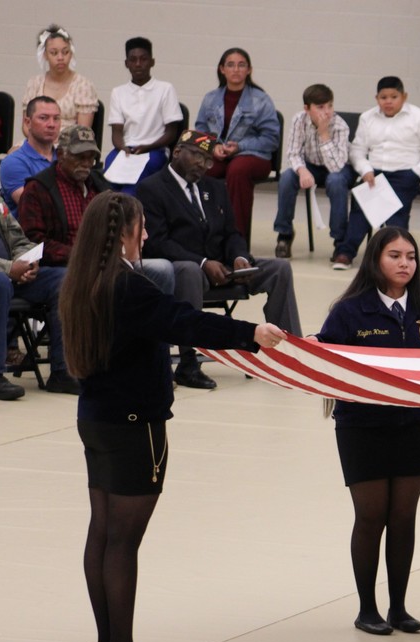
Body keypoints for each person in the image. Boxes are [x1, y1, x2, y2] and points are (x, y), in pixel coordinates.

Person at [58, 191, 286, 642]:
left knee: (102, 534)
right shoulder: (128, 287)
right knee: (123, 543)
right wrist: (251, 334)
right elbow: (185, 320)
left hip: (96, 419)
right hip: (135, 426)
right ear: (123, 231)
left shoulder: (85, 281)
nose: (145, 235)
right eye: (140, 227)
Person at [315, 228, 420, 634]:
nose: (404, 263)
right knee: (371, 516)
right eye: (395, 255)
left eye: (410, 256)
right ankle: (366, 609)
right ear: (375, 259)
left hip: (412, 427)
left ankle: (398, 607)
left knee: (404, 517)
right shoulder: (348, 311)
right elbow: (325, 358)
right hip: (362, 429)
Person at [137, 129, 301, 389]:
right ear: (177, 152)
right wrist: (203, 263)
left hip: (224, 268)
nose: (202, 164)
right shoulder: (151, 188)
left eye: (207, 159)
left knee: (279, 268)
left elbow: (231, 233)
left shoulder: (215, 187)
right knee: (189, 271)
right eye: (196, 156)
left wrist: (238, 256)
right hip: (187, 270)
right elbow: (157, 242)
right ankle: (188, 364)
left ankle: (286, 354)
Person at [0, 129, 78, 400]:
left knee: (65, 279)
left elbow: (16, 233)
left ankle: (63, 371)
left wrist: (27, 261)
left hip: (9, 274)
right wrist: (7, 268)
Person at [17, 124, 175, 292]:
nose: (86, 163)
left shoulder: (99, 184)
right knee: (78, 279)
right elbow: (33, 242)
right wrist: (80, 255)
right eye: (80, 157)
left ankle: (151, 318)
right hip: (60, 266)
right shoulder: (38, 188)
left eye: (91, 157)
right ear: (61, 155)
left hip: (106, 260)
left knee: (162, 269)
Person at [333, 76, 420, 269]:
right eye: (383, 97)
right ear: (377, 98)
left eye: (394, 96)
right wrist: (366, 170)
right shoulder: (367, 118)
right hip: (374, 174)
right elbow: (357, 150)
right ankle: (345, 253)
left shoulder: (419, 117)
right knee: (360, 209)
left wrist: (416, 173)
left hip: (405, 175)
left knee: (396, 216)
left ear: (404, 96)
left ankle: (397, 259)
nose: (388, 101)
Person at [194, 48, 280, 242]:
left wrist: (240, 147)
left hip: (254, 156)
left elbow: (271, 138)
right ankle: (204, 232)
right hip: (219, 154)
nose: (236, 70)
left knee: (237, 169)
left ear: (249, 70)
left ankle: (236, 239)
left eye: (241, 65)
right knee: (200, 167)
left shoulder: (261, 99)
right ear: (222, 69)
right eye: (230, 65)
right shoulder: (210, 98)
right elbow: (200, 132)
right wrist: (212, 146)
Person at [272, 83, 354, 261]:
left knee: (336, 181)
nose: (327, 112)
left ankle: (340, 242)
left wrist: (324, 133)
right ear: (307, 109)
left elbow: (336, 167)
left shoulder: (340, 125)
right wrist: (302, 171)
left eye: (330, 106)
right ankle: (284, 235)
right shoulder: (298, 120)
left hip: (339, 167)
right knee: (287, 177)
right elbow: (293, 153)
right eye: (320, 107)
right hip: (311, 165)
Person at [104, 37, 184, 195]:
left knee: (132, 186)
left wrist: (148, 147)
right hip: (126, 150)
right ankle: (111, 210)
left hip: (154, 150)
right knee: (109, 166)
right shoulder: (118, 92)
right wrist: (123, 148)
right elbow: (117, 133)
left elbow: (171, 132)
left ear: (152, 62)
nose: (138, 64)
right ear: (126, 63)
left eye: (143, 59)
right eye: (133, 60)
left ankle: (125, 211)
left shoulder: (165, 89)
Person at [22, 24, 98, 132]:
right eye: (54, 53)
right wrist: (40, 142)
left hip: (70, 144)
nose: (60, 58)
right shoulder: (34, 83)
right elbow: (26, 126)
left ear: (71, 54)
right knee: (14, 150)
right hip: (36, 141)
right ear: (45, 55)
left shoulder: (83, 85)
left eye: (65, 52)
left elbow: (83, 130)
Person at [0, 96, 60, 217]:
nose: (52, 124)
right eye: (44, 118)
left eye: (56, 118)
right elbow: (32, 207)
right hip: (27, 233)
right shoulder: (13, 162)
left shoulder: (65, 158)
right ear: (28, 122)